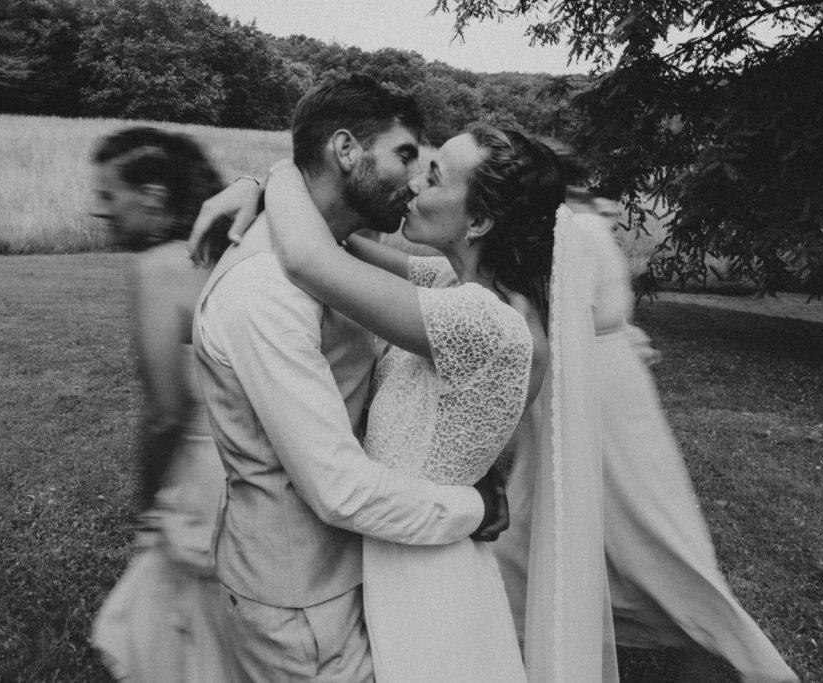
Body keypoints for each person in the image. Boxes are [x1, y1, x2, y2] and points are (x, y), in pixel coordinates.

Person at [193, 122, 620, 681]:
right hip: (401, 543)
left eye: (436, 177)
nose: (415, 183)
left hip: (422, 568)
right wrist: (252, 184)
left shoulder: (484, 321)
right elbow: (334, 237)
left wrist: (276, 173)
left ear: (480, 220)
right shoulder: (455, 282)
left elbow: (309, 259)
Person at [192, 75, 509, 682]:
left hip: (357, 571)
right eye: (406, 155)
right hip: (302, 604)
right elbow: (336, 488)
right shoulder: (265, 291)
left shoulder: (332, 256)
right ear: (345, 150)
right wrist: (474, 506)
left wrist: (264, 180)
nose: (417, 180)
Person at [494, 180, 800, 682]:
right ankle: (526, 608)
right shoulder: (573, 233)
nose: (611, 210)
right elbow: (604, 309)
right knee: (549, 506)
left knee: (638, 517)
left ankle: (713, 636)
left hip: (596, 389)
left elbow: (585, 313)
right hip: (592, 380)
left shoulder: (578, 232)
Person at [86, 126, 236, 681]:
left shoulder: (156, 269)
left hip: (199, 481)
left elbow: (165, 413)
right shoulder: (236, 254)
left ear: (152, 196)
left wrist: (148, 506)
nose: (99, 209)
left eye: (107, 194)